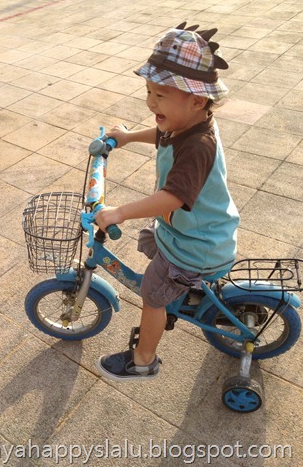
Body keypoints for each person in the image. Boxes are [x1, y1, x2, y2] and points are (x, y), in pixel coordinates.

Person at [95, 22, 240, 381]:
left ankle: (143, 360)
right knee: (152, 238)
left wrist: (119, 213)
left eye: (160, 95)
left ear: (197, 100)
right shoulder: (187, 123)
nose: (150, 102)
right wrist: (128, 137)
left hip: (197, 246)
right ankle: (187, 291)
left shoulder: (198, 146)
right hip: (196, 232)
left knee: (152, 294)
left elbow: (171, 198)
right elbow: (162, 133)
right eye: (148, 91)